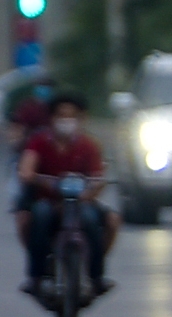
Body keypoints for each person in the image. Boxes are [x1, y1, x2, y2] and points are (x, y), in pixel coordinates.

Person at [19, 93, 117, 300]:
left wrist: (88, 194)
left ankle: (96, 275)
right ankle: (37, 276)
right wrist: (34, 177)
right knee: (38, 217)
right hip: (49, 201)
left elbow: (98, 177)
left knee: (101, 221)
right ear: (52, 118)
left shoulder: (88, 145)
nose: (66, 121)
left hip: (79, 202)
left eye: (72, 116)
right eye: (61, 116)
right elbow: (27, 169)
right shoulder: (39, 142)